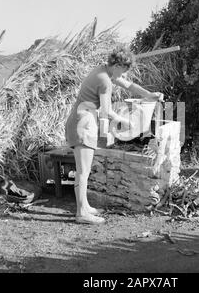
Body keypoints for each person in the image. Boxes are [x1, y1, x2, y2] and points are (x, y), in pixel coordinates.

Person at [65, 46, 163, 224]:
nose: (125, 74)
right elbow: (106, 111)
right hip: (82, 125)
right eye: (125, 70)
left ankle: (85, 206)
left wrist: (149, 94)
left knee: (84, 170)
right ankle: (81, 214)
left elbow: (128, 84)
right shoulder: (105, 81)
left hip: (82, 121)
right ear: (117, 65)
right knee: (83, 171)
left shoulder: (103, 70)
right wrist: (126, 122)